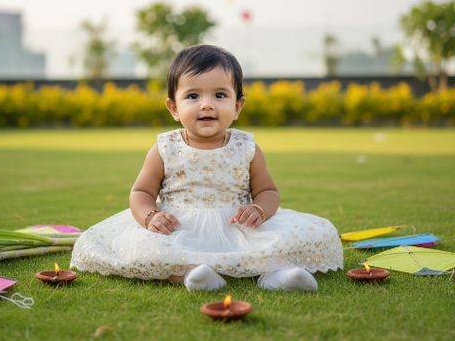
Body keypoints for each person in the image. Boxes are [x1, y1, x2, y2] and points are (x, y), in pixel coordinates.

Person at [70, 45, 343, 291]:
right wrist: (150, 216)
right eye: (192, 96)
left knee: (278, 244)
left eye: (220, 94)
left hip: (236, 225)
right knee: (154, 254)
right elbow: (140, 191)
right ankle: (196, 276)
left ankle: (276, 277)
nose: (207, 104)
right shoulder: (165, 148)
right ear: (173, 107)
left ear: (237, 106)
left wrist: (258, 210)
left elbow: (268, 191)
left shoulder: (246, 147)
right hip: (180, 228)